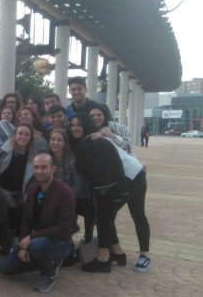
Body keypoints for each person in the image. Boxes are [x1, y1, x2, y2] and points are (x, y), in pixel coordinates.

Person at [1, 153, 77, 293]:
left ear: (53, 169)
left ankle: (49, 272)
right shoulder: (32, 190)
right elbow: (26, 221)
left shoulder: (65, 192)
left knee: (38, 245)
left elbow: (64, 229)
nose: (39, 171)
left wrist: (31, 238)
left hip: (60, 242)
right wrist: (23, 246)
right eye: (36, 167)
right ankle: (45, 260)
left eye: (44, 167)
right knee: (7, 269)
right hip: (37, 241)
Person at [88, 106, 151, 272]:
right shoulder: (89, 132)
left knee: (135, 214)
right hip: (119, 180)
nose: (95, 117)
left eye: (98, 114)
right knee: (107, 213)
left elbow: (129, 148)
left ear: (105, 115)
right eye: (92, 115)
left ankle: (144, 254)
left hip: (133, 176)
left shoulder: (117, 128)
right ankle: (116, 251)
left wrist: (108, 134)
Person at [69, 113, 128, 273]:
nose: (75, 128)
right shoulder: (97, 140)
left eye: (78, 124)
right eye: (72, 125)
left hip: (106, 191)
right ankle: (118, 253)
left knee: (103, 220)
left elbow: (86, 170)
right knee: (107, 220)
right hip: (118, 189)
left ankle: (103, 259)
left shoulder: (88, 143)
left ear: (86, 125)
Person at [0, 123, 39, 236]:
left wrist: (29, 194)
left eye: (27, 134)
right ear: (15, 135)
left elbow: (35, 179)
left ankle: (19, 237)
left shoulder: (34, 155)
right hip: (2, 190)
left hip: (21, 193)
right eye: (20, 133)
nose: (23, 136)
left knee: (25, 210)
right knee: (13, 209)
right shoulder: (4, 150)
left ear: (31, 137)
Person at [48, 129, 91, 243]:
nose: (55, 142)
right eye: (53, 139)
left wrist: (67, 198)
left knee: (64, 221)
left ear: (64, 143)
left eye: (59, 140)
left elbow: (77, 182)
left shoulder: (70, 158)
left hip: (69, 194)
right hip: (52, 194)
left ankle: (68, 243)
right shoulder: (47, 157)